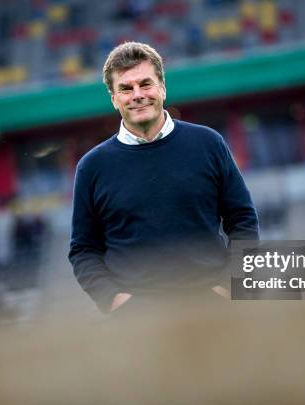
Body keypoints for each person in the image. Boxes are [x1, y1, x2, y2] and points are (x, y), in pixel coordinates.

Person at [68, 42, 259, 314]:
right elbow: (84, 250)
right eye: (125, 88)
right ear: (113, 99)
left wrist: (229, 286)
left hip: (216, 312)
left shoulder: (208, 143)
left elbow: (243, 221)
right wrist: (114, 301)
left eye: (146, 84)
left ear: (163, 88)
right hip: (138, 326)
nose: (137, 95)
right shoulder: (92, 167)